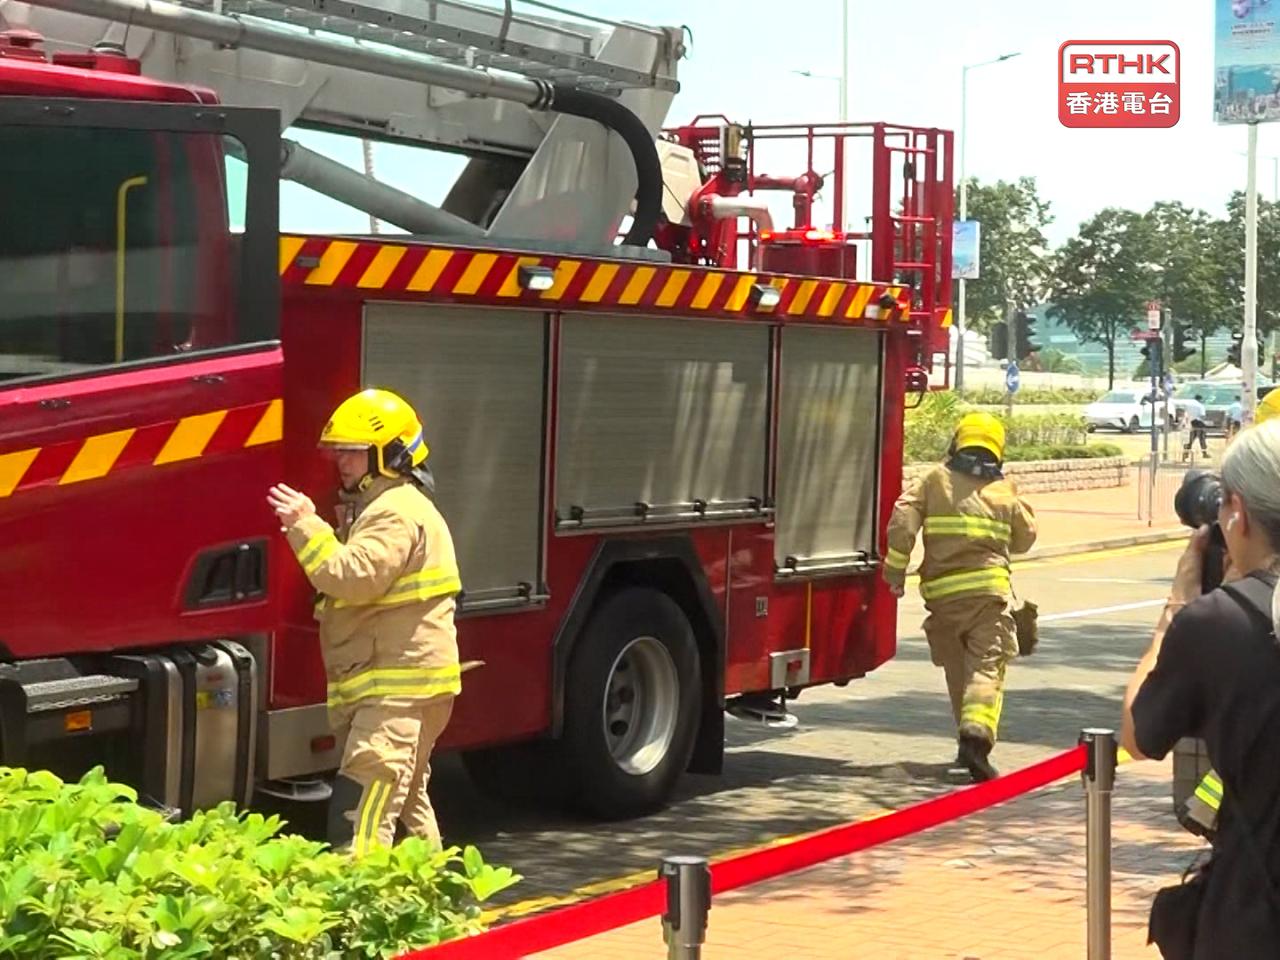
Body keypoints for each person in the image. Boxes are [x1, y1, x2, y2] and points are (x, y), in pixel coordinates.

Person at [267, 388, 462, 855]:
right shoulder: (391, 507)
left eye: (355, 452)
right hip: (406, 688)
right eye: (340, 451)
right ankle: (436, 908)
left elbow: (351, 578)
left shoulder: (394, 511)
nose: (343, 462)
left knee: (362, 812)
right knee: (408, 800)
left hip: (395, 693)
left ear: (391, 455)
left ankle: (358, 917)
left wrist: (304, 524)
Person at [1121, 420, 1280, 958]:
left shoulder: (1220, 623)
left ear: (1236, 511)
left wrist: (1177, 609)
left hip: (1255, 916)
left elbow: (1139, 737)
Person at [882, 412, 1037, 782]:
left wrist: (895, 571)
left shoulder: (934, 480)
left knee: (957, 673)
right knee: (985, 669)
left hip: (942, 600)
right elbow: (1026, 539)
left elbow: (903, 518)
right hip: (988, 598)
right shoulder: (1003, 490)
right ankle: (976, 739)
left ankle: (966, 742)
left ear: (957, 443)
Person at [1182, 394, 1209, 460]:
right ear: (1200, 399)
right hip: (1198, 423)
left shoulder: (1189, 405)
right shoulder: (1200, 406)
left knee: (1189, 440)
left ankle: (1185, 454)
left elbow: (1185, 414)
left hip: (1190, 424)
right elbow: (1202, 416)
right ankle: (1204, 453)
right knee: (1202, 439)